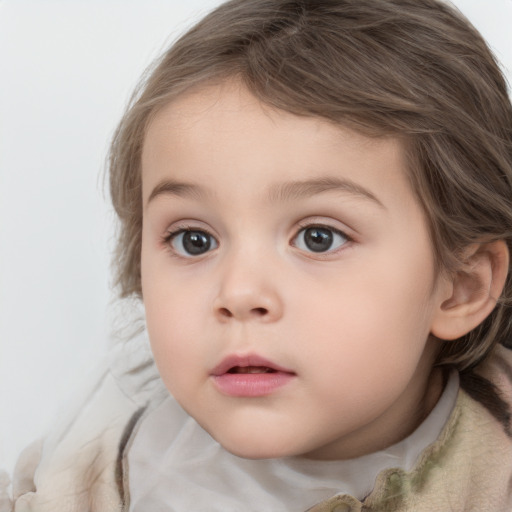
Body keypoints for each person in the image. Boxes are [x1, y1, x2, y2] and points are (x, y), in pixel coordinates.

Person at [4, 0, 512, 510]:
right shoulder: (96, 466)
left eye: (319, 237)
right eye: (193, 240)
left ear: (460, 285)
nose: (239, 293)